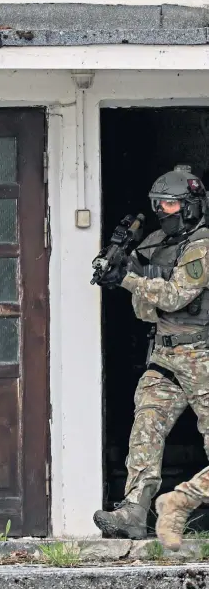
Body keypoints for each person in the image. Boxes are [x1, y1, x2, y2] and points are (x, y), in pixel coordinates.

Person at [93, 164, 209, 540]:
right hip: (164, 356)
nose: (163, 211)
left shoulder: (201, 246)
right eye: (158, 204)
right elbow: (146, 309)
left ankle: (181, 501)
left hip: (201, 356)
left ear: (191, 206)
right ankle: (133, 512)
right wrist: (125, 267)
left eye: (171, 205)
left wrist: (128, 280)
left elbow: (175, 297)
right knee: (145, 430)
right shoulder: (158, 242)